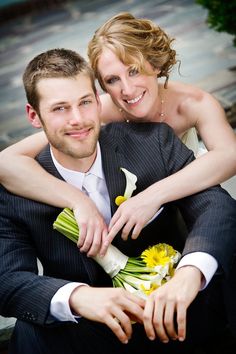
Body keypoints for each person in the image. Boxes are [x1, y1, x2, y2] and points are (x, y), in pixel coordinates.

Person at [0, 48, 236, 354]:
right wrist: (77, 297)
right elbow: (7, 279)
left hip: (175, 318)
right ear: (34, 116)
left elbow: (216, 207)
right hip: (86, 332)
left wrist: (190, 273)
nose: (78, 120)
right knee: (32, 330)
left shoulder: (153, 142)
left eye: (85, 103)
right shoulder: (16, 189)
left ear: (99, 102)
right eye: (60, 108)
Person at [0, 12, 235, 257]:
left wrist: (153, 196)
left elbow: (229, 155)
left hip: (185, 188)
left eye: (134, 71)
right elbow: (6, 162)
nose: (127, 89)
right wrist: (78, 201)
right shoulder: (94, 112)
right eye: (112, 80)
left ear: (154, 65)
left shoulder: (192, 103)